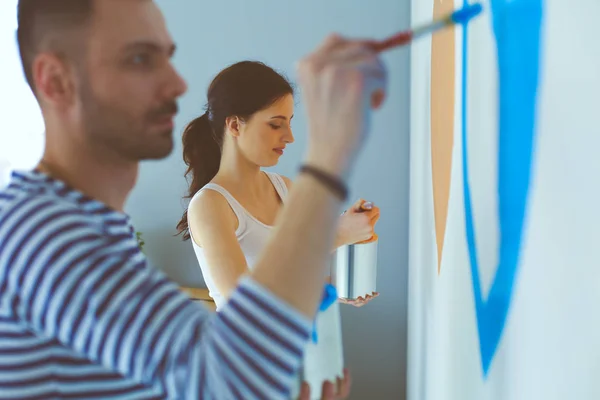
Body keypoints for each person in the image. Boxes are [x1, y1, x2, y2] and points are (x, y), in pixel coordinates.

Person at [0, 0, 387, 399]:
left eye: (167, 57)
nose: (178, 83)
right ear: (56, 81)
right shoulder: (48, 236)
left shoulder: (92, 228)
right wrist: (326, 162)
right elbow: (232, 380)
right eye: (138, 59)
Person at [176, 60, 380, 311]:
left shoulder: (285, 189)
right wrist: (335, 237)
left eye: (289, 122)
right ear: (235, 125)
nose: (289, 137)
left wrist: (341, 287)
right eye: (275, 124)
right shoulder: (210, 205)